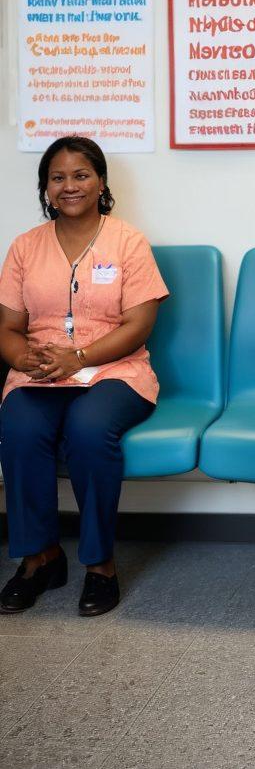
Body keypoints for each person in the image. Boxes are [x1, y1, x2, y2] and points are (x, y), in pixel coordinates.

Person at [0, 136, 168, 616]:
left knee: (89, 430)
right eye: (58, 177)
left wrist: (80, 356)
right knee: (19, 426)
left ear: (100, 183)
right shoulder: (24, 248)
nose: (69, 185)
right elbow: (9, 328)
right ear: (45, 188)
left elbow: (139, 325)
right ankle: (40, 558)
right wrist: (22, 359)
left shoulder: (128, 241)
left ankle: (100, 565)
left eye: (81, 175)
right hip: (41, 373)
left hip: (115, 369)